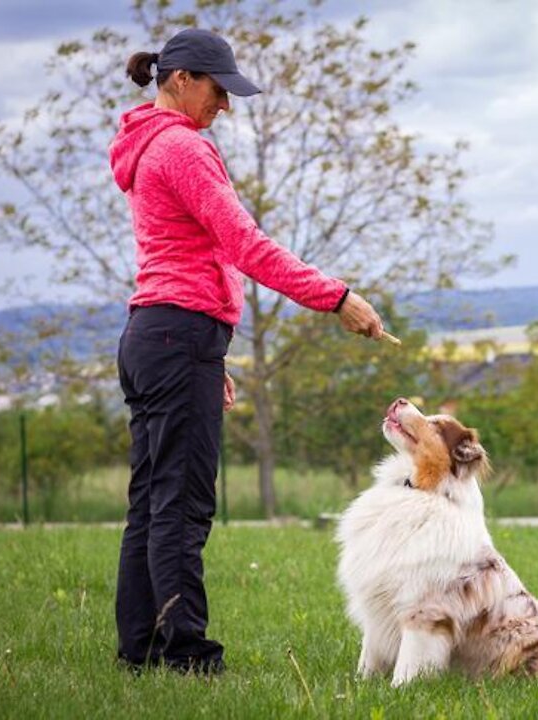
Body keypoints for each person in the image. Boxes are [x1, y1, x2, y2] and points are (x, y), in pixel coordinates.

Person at [109, 27, 385, 675]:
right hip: (176, 336)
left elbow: (187, 256)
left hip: (160, 334)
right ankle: (186, 656)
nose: (225, 106)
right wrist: (335, 297)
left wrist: (212, 353)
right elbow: (245, 245)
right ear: (180, 79)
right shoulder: (182, 148)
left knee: (152, 499)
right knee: (181, 503)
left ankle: (141, 648)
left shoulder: (144, 144)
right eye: (218, 90)